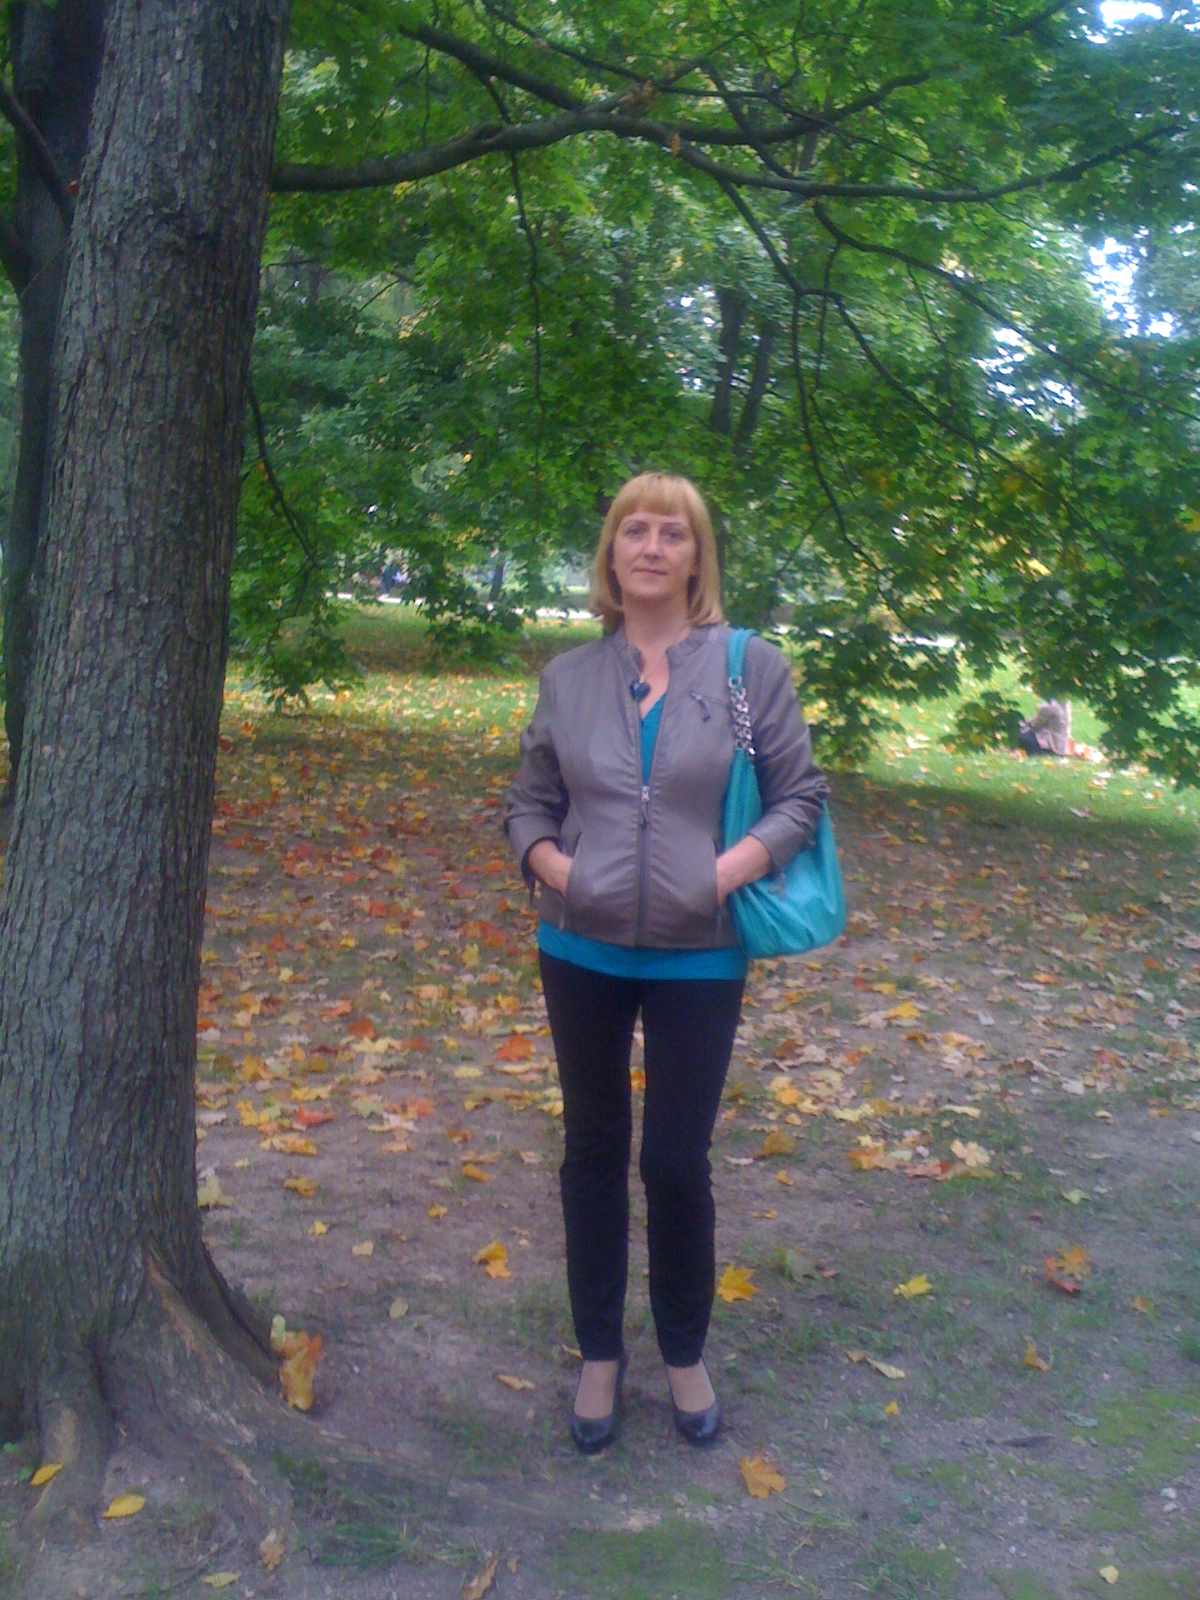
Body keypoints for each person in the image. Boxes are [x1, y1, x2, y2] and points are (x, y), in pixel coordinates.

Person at [504, 473, 828, 1453]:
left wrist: (720, 874)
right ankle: (600, 1354)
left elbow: (798, 797)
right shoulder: (568, 676)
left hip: (702, 952)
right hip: (581, 946)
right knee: (593, 1150)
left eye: (673, 533)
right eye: (634, 530)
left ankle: (685, 1353)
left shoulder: (746, 668)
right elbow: (528, 803)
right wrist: (559, 870)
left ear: (696, 556)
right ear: (611, 554)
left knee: (677, 1161)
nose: (651, 546)